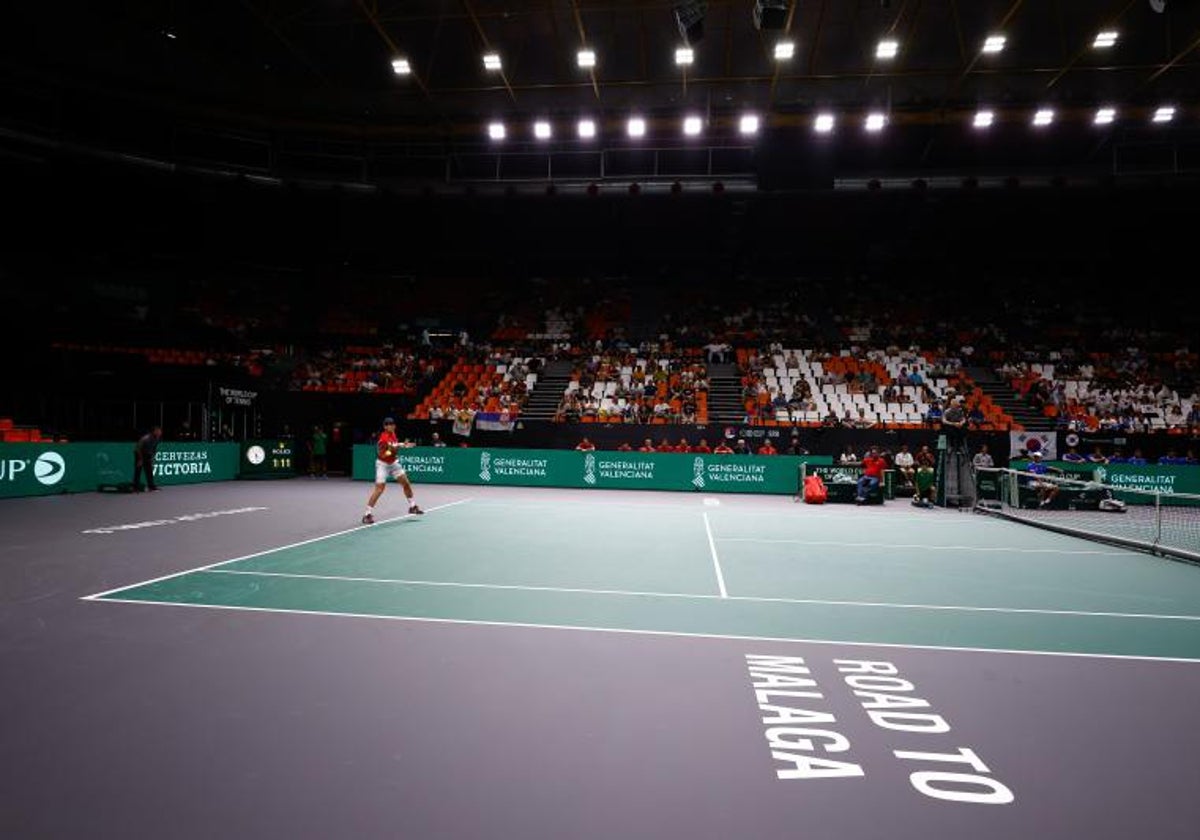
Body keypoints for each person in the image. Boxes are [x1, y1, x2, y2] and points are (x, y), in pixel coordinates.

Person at [362, 417, 423, 524]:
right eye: (388, 424)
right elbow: (382, 455)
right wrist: (391, 451)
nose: (391, 426)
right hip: (382, 464)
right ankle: (367, 514)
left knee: (406, 483)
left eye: (392, 424)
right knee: (379, 489)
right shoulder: (383, 439)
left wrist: (403, 445)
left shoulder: (393, 434)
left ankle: (412, 507)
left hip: (394, 463)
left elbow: (394, 445)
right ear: (385, 427)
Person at [132, 425, 163, 492]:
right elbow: (138, 449)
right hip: (139, 453)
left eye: (160, 431)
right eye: (158, 431)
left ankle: (151, 487)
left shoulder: (157, 438)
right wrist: (140, 459)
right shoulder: (146, 438)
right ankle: (135, 488)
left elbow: (154, 449)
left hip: (147, 454)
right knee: (138, 471)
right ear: (154, 431)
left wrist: (152, 458)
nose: (160, 432)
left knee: (149, 471)